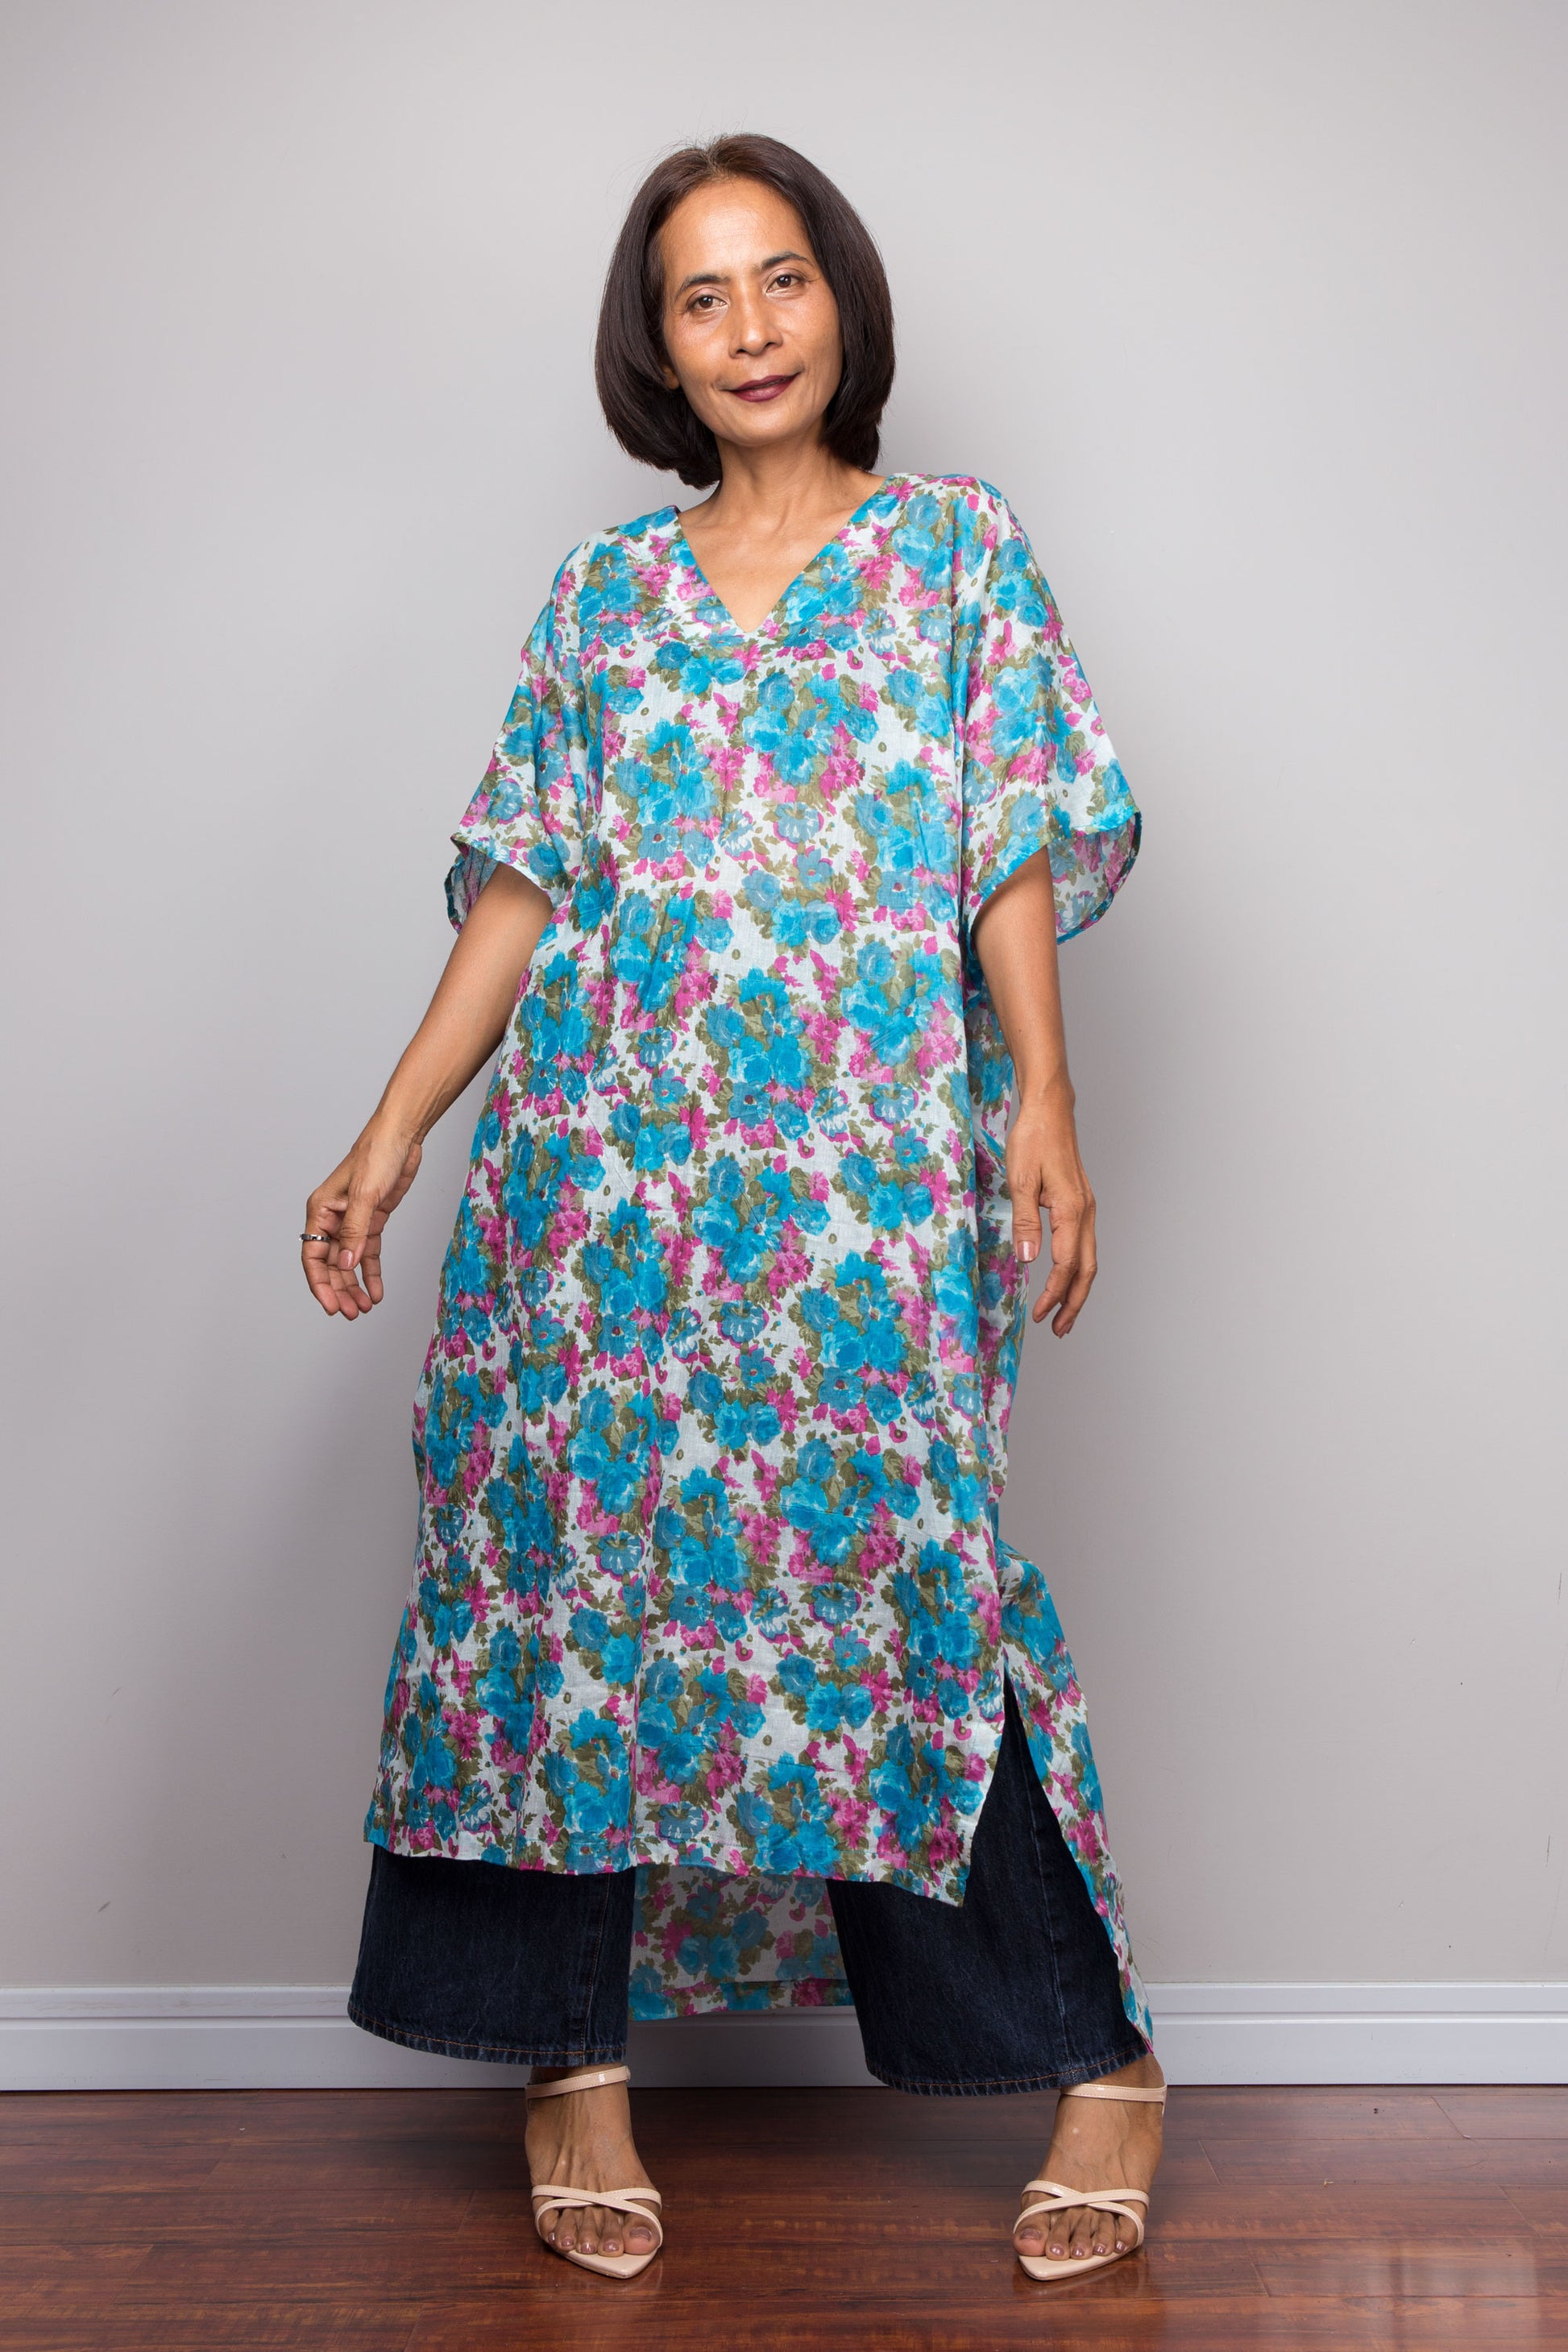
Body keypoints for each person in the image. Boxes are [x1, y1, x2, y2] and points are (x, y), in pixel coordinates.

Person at [301, 132, 1164, 2286]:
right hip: (598, 1201)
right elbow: (524, 887)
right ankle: (563, 2069)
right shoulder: (606, 596)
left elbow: (1009, 840)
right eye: (703, 295)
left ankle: (1098, 2061)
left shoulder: (956, 554)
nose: (754, 325)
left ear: (840, 303)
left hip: (858, 1190)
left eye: (783, 279)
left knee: (900, 1590)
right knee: (556, 1593)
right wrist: (393, 1132)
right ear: (655, 345)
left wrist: (1042, 1107)